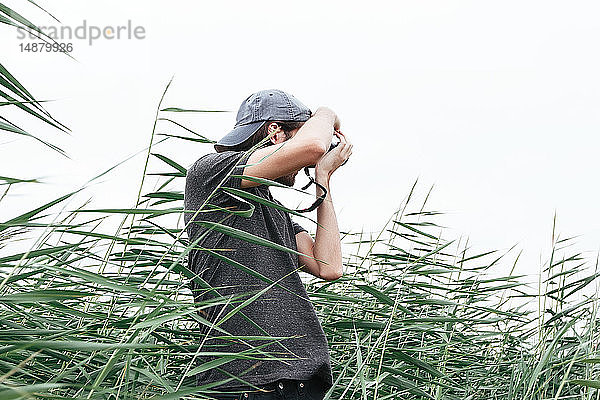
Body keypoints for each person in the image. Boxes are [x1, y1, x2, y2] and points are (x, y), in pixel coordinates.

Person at [184, 89, 352, 400]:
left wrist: (323, 178)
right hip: (243, 383)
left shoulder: (275, 211)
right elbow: (313, 146)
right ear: (275, 132)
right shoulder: (211, 173)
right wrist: (325, 113)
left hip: (301, 381)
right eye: (297, 135)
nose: (301, 167)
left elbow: (329, 266)